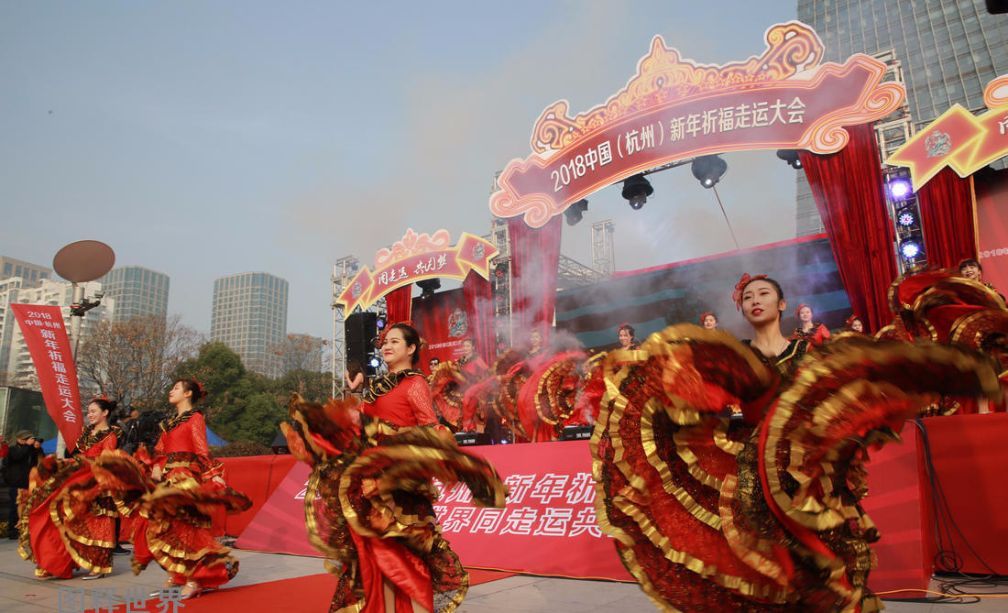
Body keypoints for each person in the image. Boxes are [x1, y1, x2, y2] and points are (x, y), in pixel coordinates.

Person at [591, 272, 1001, 611]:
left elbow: (842, 392)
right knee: (773, 573)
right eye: (748, 296)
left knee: (835, 560)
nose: (755, 300)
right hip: (755, 482)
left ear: (782, 304)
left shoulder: (811, 352)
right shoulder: (739, 357)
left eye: (764, 294)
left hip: (817, 476)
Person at [285, 322, 507, 612]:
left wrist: (408, 449)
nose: (386, 346)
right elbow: (359, 426)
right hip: (371, 480)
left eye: (394, 342)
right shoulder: (379, 386)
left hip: (399, 484)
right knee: (376, 559)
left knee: (404, 559)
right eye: (384, 342)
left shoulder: (414, 384)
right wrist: (353, 394)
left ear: (411, 348)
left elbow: (429, 427)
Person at [132, 379, 249, 599]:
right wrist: (157, 467)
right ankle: (177, 576)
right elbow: (160, 450)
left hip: (185, 477)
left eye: (176, 388)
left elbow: (201, 450)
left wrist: (214, 475)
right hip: (168, 479)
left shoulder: (195, 418)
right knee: (162, 526)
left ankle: (194, 579)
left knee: (187, 529)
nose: (170, 391)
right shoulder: (169, 422)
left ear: (188, 394)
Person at [19, 398, 122, 580]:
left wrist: (79, 464)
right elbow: (81, 456)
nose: (89, 414)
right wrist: (64, 463)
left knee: (98, 523)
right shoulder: (87, 433)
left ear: (105, 413)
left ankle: (99, 565)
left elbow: (104, 461)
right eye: (88, 411)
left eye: (93, 411)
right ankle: (57, 562)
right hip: (79, 478)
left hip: (96, 483)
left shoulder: (110, 435)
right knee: (61, 517)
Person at [5, 430, 42, 539]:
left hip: (27, 483)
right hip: (16, 483)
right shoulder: (13, 450)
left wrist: (37, 448)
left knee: (26, 507)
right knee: (15, 507)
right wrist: (28, 446)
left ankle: (23, 529)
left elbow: (37, 461)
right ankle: (12, 530)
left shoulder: (29, 450)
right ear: (19, 439)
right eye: (26, 439)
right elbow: (18, 457)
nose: (28, 441)